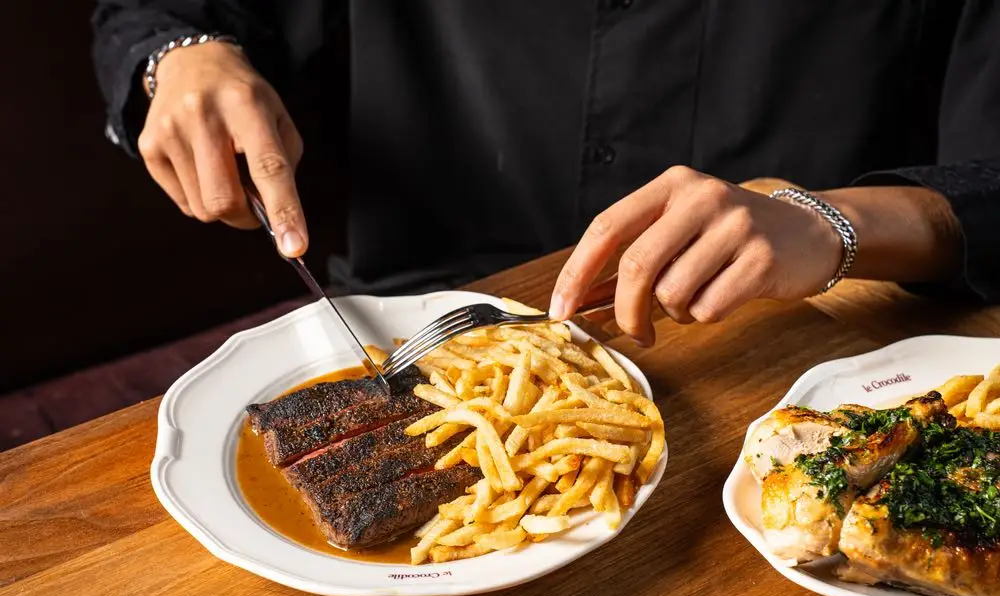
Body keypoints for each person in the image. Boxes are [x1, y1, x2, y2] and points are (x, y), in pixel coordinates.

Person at [92, 2, 1000, 345]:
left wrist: (836, 223)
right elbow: (167, 8)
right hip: (408, 324)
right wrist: (181, 52)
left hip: (788, 348)